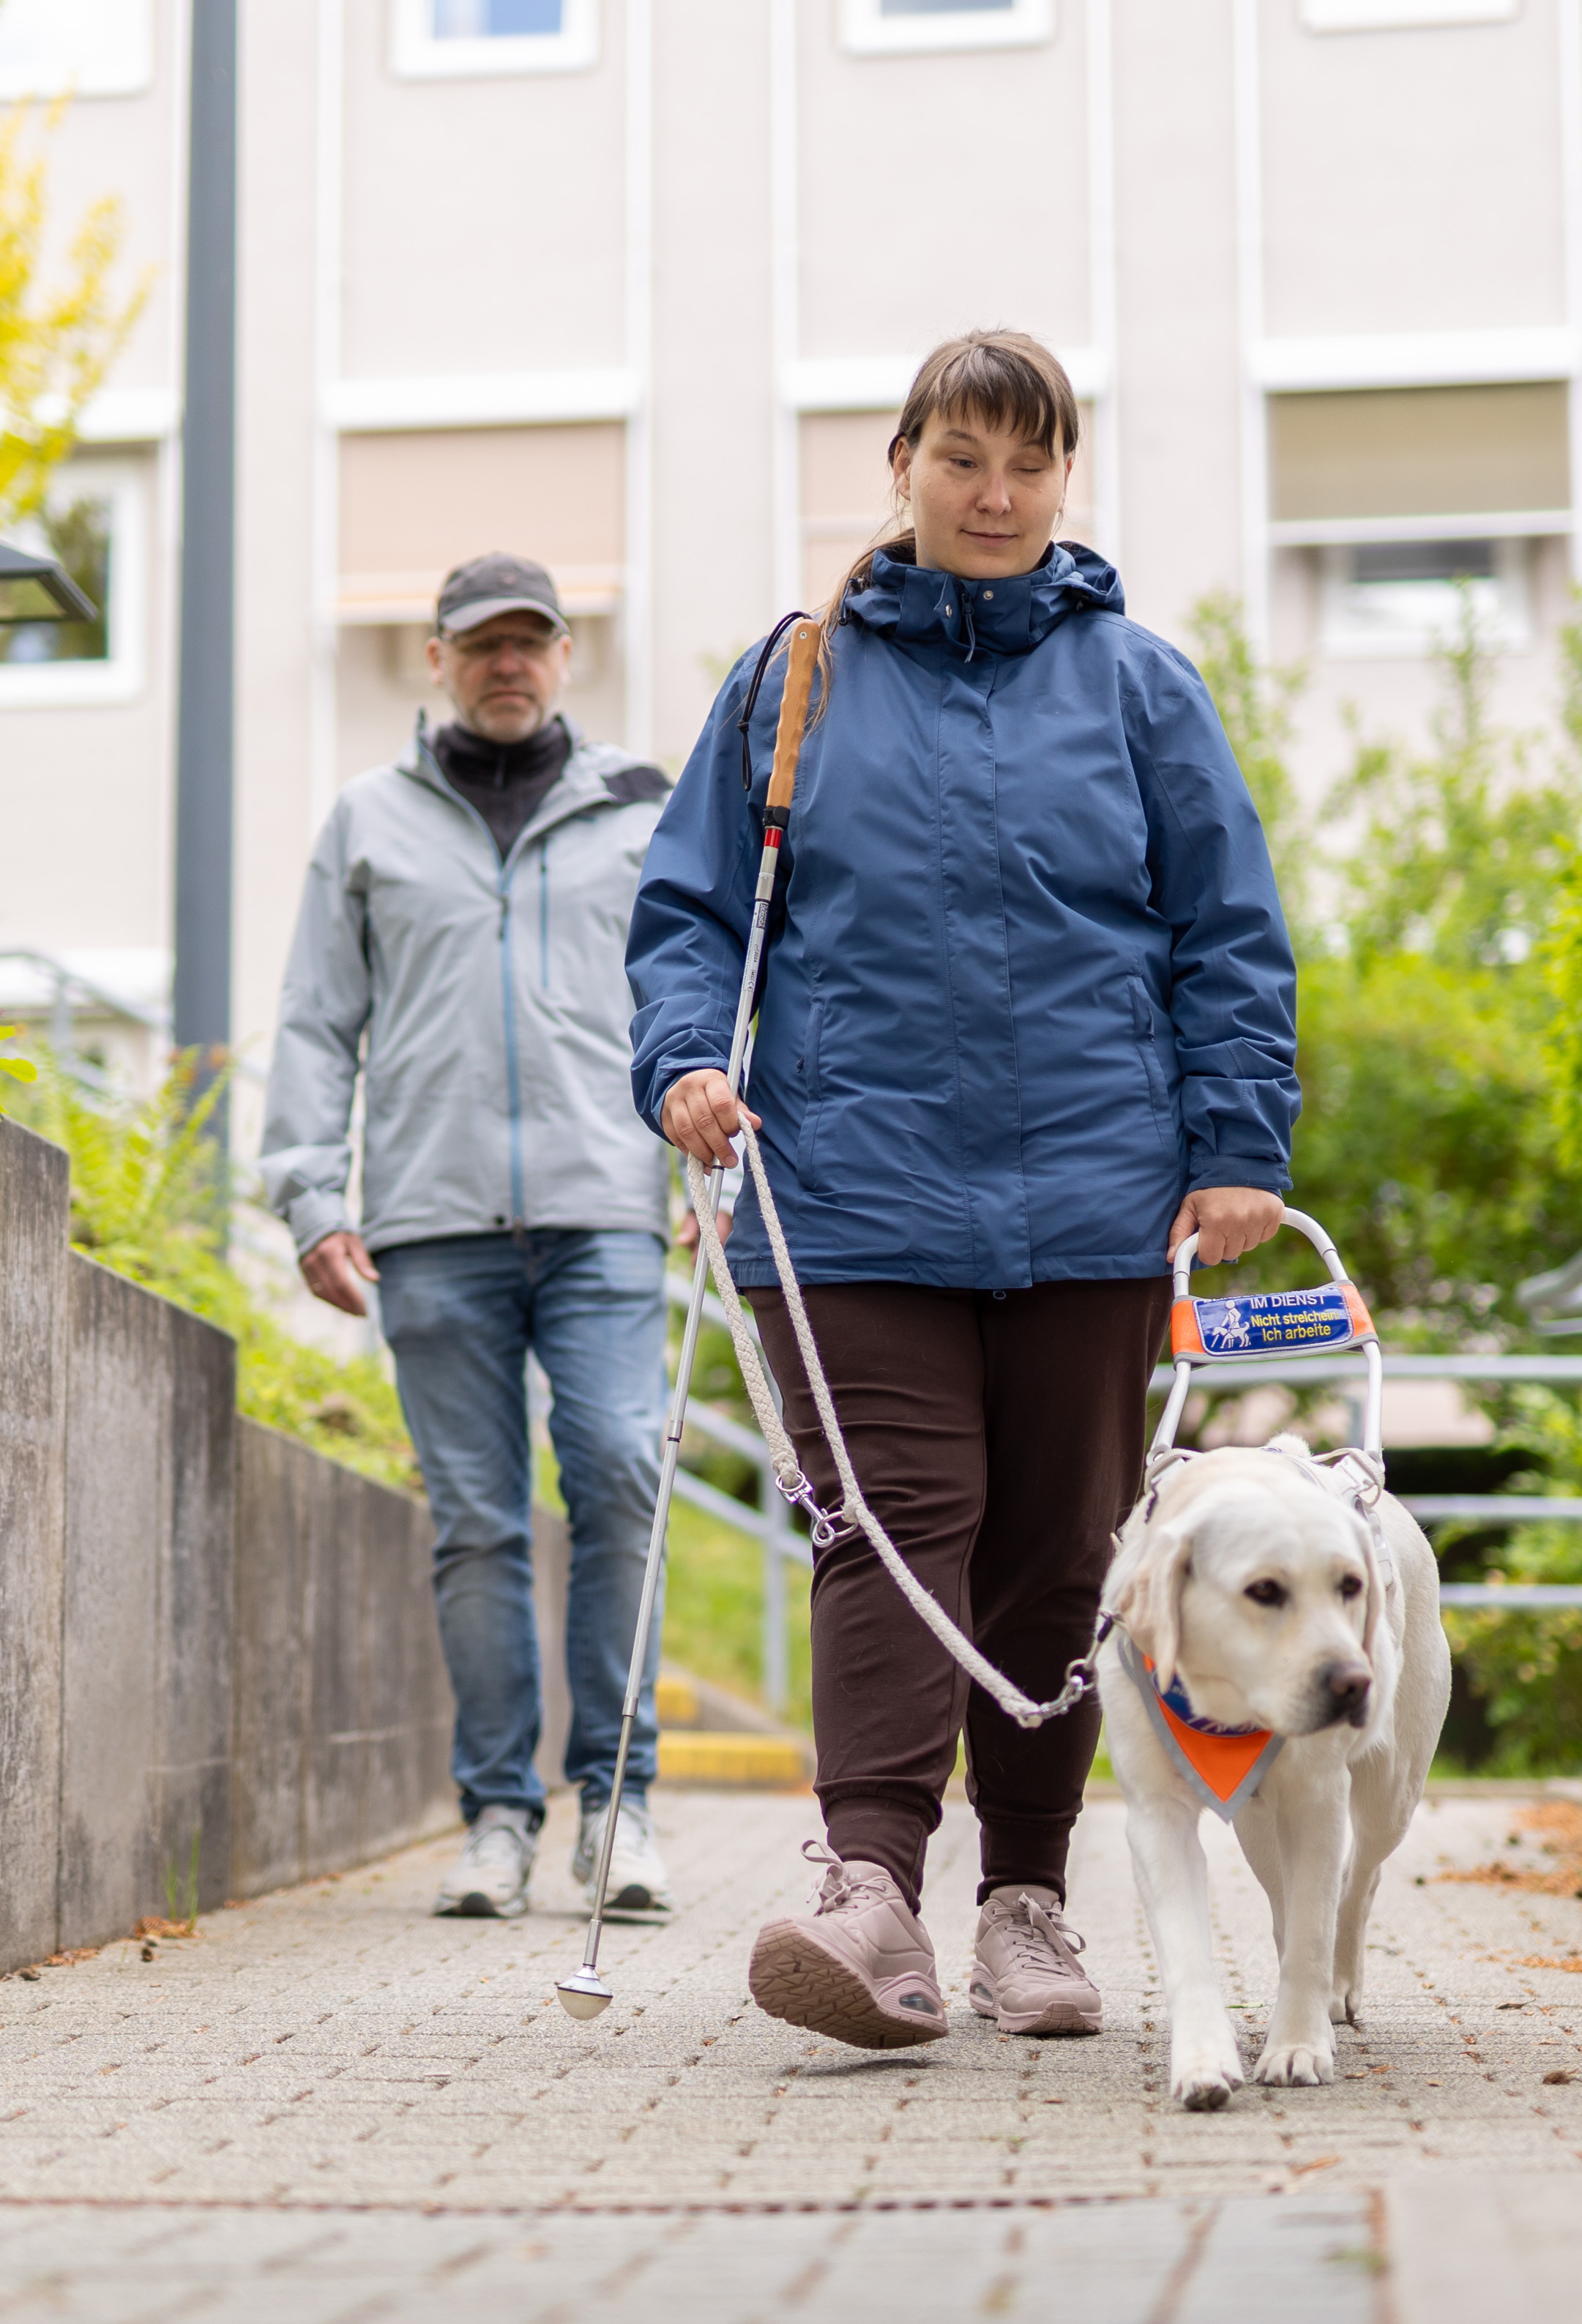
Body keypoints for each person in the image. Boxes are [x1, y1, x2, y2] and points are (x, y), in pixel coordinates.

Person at [626, 330, 1300, 2047]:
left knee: (1056, 1558)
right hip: (847, 1186)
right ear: (902, 466)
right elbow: (692, 910)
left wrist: (1235, 1143)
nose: (995, 496)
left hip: (1091, 1191)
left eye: (1030, 463)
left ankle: (1028, 1905)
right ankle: (866, 1893)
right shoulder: (800, 676)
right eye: (962, 460)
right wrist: (687, 1059)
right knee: (892, 1525)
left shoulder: (1140, 683)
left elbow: (1227, 929)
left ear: (1063, 478)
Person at [260, 551, 680, 1924]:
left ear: (567, 658)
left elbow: (707, 997)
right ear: (436, 661)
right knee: (480, 1526)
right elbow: (319, 1024)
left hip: (607, 1207)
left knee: (620, 1475)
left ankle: (617, 1805)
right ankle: (499, 1816)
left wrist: (711, 1165)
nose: (509, 664)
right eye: (481, 644)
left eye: (532, 643)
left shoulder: (639, 811)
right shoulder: (367, 823)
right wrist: (312, 1197)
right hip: (432, 1224)